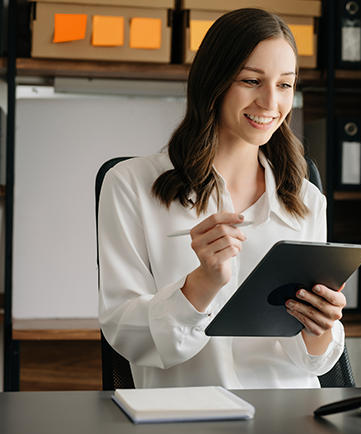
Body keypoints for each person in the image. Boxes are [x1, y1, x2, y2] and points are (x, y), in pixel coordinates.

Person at [98, 8, 346, 389]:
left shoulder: (306, 199)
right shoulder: (131, 185)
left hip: (289, 420)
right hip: (187, 419)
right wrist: (200, 284)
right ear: (213, 82)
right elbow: (124, 333)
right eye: (251, 80)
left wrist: (319, 326)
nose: (270, 102)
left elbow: (314, 361)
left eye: (284, 85)